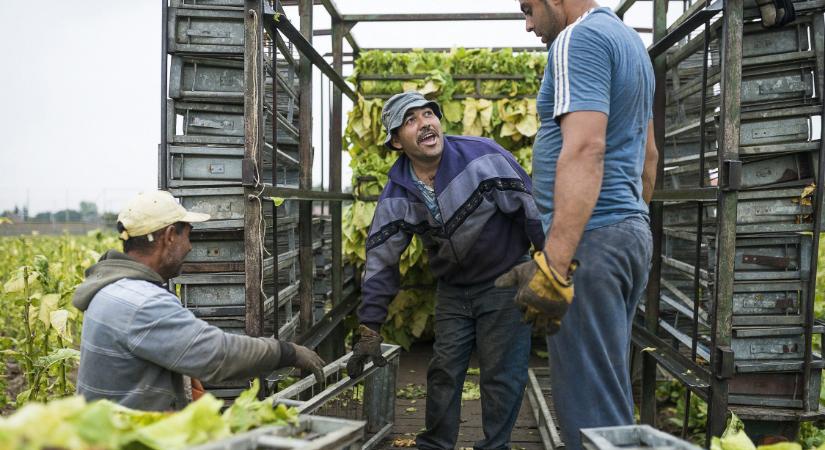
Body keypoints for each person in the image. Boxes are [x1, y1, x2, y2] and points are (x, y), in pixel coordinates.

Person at [499, 1, 659, 448]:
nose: (528, 24)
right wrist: (629, 222)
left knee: (587, 411)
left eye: (529, 8)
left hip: (592, 241)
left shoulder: (577, 39)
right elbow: (649, 158)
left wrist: (555, 264)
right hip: (627, 234)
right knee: (607, 389)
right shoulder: (632, 45)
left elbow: (586, 147)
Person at [346, 91, 545, 450]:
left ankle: (494, 446)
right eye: (410, 120)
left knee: (502, 375)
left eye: (427, 114)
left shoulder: (482, 156)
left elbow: (531, 209)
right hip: (454, 290)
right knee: (443, 372)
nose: (424, 123)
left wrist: (550, 265)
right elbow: (381, 259)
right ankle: (436, 445)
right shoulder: (398, 191)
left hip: (505, 280)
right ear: (396, 141)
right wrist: (369, 327)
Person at [73, 190, 326, 411]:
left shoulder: (111, 289)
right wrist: (287, 352)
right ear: (170, 235)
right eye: (188, 236)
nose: (190, 247)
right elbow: (218, 355)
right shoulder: (143, 303)